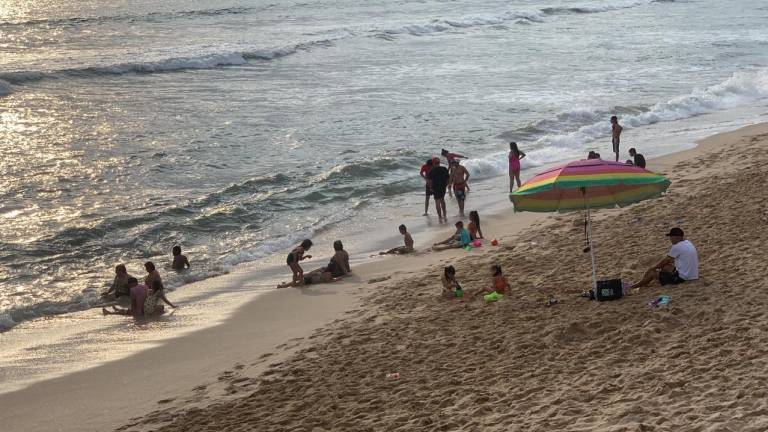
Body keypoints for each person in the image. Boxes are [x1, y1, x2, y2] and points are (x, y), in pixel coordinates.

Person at [629, 228, 699, 289]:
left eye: (671, 237)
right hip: (693, 275)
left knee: (652, 272)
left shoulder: (677, 246)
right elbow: (669, 261)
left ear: (676, 237)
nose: (670, 239)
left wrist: (654, 267)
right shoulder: (688, 243)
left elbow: (666, 260)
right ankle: (644, 281)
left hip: (683, 278)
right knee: (666, 267)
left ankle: (634, 286)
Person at [427, 157, 450, 222]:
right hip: (443, 187)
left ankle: (440, 217)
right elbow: (448, 178)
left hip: (435, 188)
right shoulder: (444, 169)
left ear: (434, 163)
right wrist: (447, 185)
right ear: (439, 163)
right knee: (442, 200)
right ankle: (445, 215)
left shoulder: (432, 171)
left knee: (437, 202)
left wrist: (431, 188)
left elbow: (430, 181)